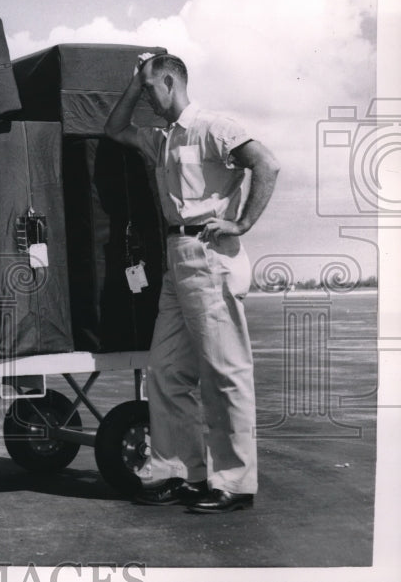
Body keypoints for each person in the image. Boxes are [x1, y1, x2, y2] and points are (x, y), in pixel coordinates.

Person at [104, 51, 279, 514]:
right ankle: (180, 471)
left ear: (168, 81)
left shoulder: (213, 128)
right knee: (166, 371)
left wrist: (241, 223)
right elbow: (113, 128)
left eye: (149, 88)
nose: (146, 98)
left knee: (223, 374)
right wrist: (133, 81)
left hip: (209, 254)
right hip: (175, 259)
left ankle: (235, 483)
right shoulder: (160, 138)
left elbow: (267, 165)